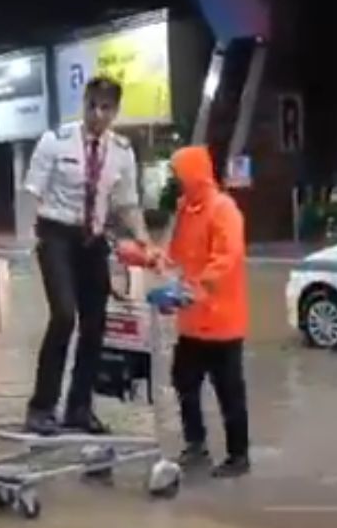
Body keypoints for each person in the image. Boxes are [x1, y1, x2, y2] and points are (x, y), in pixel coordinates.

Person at [20, 76, 153, 435]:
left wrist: (144, 239)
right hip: (56, 234)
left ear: (115, 111)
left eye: (106, 108)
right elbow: (31, 192)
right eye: (92, 105)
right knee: (64, 316)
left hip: (93, 240)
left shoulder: (122, 152)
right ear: (84, 104)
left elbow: (127, 204)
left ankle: (79, 408)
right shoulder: (55, 141)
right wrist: (24, 238)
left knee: (95, 324)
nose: (97, 114)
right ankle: (40, 407)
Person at [164, 145, 251, 478]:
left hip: (222, 321)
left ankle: (238, 456)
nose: (175, 181)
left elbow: (227, 259)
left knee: (229, 390)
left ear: (193, 174)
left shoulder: (223, 209)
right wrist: (145, 257)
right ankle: (196, 444)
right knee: (183, 381)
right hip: (191, 322)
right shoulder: (186, 210)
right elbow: (174, 256)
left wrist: (195, 288)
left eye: (178, 175)